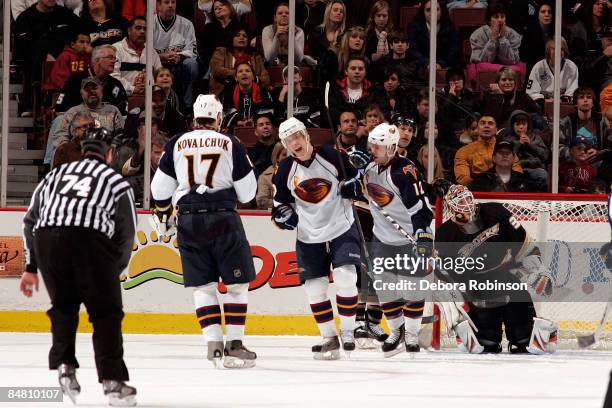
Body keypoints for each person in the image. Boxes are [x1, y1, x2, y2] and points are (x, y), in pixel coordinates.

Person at [20, 127, 138, 406]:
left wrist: (32, 266)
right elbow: (126, 233)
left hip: (48, 239)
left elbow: (30, 221)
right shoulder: (115, 180)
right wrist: (114, 269)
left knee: (63, 307)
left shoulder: (54, 176)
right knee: (106, 313)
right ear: (109, 153)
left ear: (84, 150)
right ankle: (112, 383)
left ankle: (65, 369)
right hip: (90, 239)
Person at [150, 94, 258, 368]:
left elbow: (159, 191)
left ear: (194, 117)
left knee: (202, 286)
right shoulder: (230, 142)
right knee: (236, 286)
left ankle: (213, 345)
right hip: (223, 219)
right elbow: (248, 193)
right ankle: (234, 344)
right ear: (219, 117)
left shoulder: (176, 143)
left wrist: (166, 210)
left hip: (189, 220)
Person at [272, 117, 361, 359]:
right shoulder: (284, 171)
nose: (295, 142)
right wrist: (283, 215)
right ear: (285, 145)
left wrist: (354, 185)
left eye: (298, 136)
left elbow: (358, 180)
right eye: (289, 140)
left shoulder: (333, 156)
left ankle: (349, 331)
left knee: (346, 277)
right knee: (315, 288)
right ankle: (329, 337)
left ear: (306, 136)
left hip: (342, 226)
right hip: (309, 235)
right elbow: (280, 204)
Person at [435, 184, 558, 354]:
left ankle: (543, 332)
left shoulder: (496, 211)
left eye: (467, 198)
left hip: (508, 277)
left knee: (523, 340)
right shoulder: (445, 235)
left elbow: (525, 245)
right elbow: (443, 273)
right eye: (460, 201)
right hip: (478, 287)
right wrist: (451, 296)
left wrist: (538, 270)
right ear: (451, 207)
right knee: (486, 344)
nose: (466, 203)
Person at [358, 123, 433, 356]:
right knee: (384, 286)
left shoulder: (404, 171)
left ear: (391, 148)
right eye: (372, 145)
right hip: (383, 237)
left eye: (377, 146)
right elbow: (349, 184)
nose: (372, 150)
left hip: (412, 234)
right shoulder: (369, 167)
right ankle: (396, 330)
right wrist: (351, 174)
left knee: (413, 288)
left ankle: (411, 334)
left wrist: (423, 234)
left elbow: (421, 207)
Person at [55, 44, 128, 116]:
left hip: (108, 125)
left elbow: (123, 113)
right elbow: (61, 110)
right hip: (78, 124)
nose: (114, 61)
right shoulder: (76, 80)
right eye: (110, 57)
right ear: (97, 60)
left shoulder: (116, 84)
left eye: (115, 58)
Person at [154, 0, 200, 109]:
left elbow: (192, 51)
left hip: (179, 62)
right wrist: (162, 57)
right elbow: (144, 51)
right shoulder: (150, 23)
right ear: (159, 6)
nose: (170, 5)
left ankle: (187, 107)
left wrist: (179, 56)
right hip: (157, 62)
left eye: (173, 2)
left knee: (191, 64)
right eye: (166, 2)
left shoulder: (187, 24)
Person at [454, 114, 522, 186]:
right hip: (479, 192)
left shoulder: (507, 149)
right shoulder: (464, 151)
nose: (486, 126)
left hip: (508, 191)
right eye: (482, 123)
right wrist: (483, 187)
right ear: (478, 128)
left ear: (496, 129)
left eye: (490, 123)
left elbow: (517, 172)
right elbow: (462, 179)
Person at [468, 3, 524, 83]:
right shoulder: (477, 35)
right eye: (496, 17)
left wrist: (502, 39)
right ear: (489, 20)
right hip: (486, 69)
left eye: (502, 16)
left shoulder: (513, 34)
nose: (500, 20)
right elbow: (482, 61)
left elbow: (511, 61)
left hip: (506, 67)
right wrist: (492, 40)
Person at [209, 27, 270, 97]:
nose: (241, 38)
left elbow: (266, 80)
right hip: (224, 94)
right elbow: (216, 70)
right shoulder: (222, 52)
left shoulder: (256, 57)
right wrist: (240, 74)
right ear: (231, 38)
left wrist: (255, 79)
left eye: (245, 36)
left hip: (253, 94)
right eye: (237, 35)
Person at [113, 16, 162, 96]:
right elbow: (113, 77)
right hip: (123, 97)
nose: (142, 31)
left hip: (149, 98)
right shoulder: (116, 49)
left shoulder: (151, 52)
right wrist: (132, 89)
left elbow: (159, 74)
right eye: (138, 28)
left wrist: (151, 87)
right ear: (129, 31)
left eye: (145, 29)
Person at [469, 140, 540, 192]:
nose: (505, 155)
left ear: (514, 158)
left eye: (508, 152)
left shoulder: (522, 178)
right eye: (501, 152)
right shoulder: (482, 179)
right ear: (493, 158)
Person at [527, 38, 579, 106]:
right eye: (554, 49)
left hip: (564, 105)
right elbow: (531, 92)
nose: (558, 52)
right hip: (542, 105)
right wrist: (545, 101)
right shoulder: (538, 67)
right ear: (548, 51)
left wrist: (559, 101)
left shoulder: (571, 67)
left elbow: (572, 92)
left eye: (562, 49)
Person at [408, 0, 460, 70]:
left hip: (445, 66)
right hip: (422, 66)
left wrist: (440, 64)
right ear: (423, 12)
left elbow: (454, 51)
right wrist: (427, 63)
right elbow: (413, 50)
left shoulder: (451, 28)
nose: (432, 13)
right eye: (428, 10)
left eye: (436, 9)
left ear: (442, 11)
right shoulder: (415, 27)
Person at [256, 142, 286, 210]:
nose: (288, 158)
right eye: (284, 155)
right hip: (275, 215)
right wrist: (285, 205)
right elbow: (261, 201)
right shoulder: (265, 177)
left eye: (290, 155)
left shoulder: (299, 173)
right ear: (277, 157)